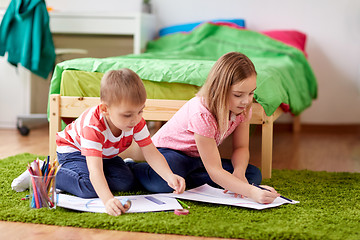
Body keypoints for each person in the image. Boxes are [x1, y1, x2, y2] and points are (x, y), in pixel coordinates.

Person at [128, 52, 280, 204]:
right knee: (160, 183)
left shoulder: (243, 108)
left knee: (252, 174)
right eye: (238, 94)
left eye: (251, 93)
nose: (246, 101)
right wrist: (250, 191)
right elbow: (214, 170)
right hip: (171, 152)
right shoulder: (202, 113)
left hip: (200, 158)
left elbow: (241, 147)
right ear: (220, 90)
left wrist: (238, 173)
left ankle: (187, 180)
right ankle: (134, 167)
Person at [56, 69, 185, 216]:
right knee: (89, 187)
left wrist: (169, 176)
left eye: (140, 111)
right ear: (105, 109)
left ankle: (116, 171)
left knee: (126, 182)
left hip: (104, 156)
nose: (136, 119)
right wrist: (108, 200)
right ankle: (51, 173)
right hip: (73, 152)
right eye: (128, 114)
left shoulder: (135, 120)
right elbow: (95, 169)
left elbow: (151, 151)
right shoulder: (93, 126)